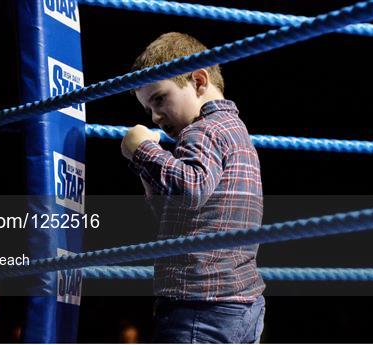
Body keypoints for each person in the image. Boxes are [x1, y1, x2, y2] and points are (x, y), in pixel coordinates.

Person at [121, 32, 266, 343]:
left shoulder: (201, 131)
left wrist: (142, 150)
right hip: (242, 303)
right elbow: (180, 210)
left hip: (200, 301)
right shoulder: (235, 130)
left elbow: (190, 188)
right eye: (148, 109)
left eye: (159, 99)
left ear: (199, 81)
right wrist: (149, 172)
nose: (156, 116)